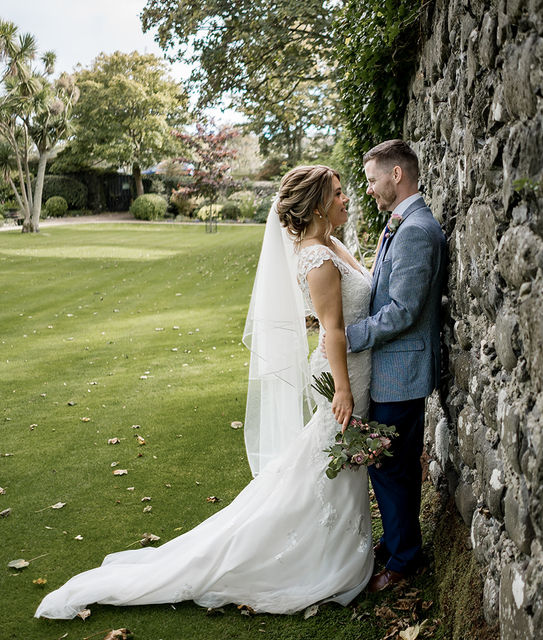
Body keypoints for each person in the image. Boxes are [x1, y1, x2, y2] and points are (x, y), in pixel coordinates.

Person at [35, 166, 375, 619]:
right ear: (316, 205)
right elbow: (332, 331)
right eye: (338, 194)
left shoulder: (331, 243)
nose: (346, 199)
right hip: (340, 377)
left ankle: (337, 548)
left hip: (354, 370)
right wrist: (344, 392)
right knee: (334, 463)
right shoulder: (316, 258)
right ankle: (320, 559)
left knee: (330, 468)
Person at [344, 140, 448, 592]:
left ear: (397, 175)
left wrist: (351, 336)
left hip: (400, 374)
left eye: (372, 180)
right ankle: (398, 542)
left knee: (389, 467)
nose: (368, 189)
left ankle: (405, 560)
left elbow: (404, 309)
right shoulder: (402, 224)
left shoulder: (416, 230)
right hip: (391, 370)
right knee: (389, 464)